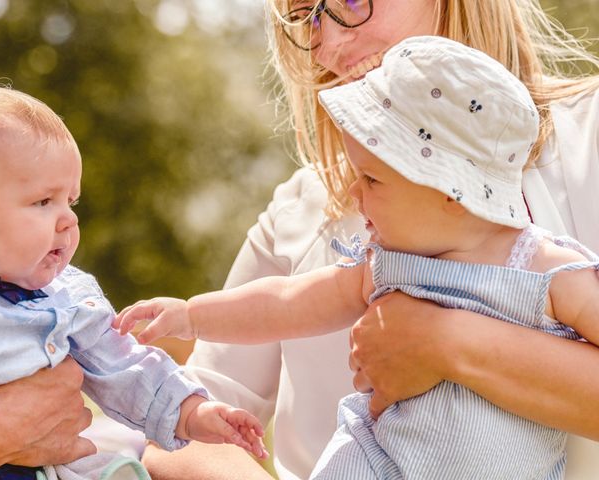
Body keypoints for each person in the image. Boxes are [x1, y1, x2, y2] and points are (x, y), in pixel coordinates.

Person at [138, 1, 599, 480]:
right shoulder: (303, 207)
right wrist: (189, 316)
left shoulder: (588, 137)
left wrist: (442, 342)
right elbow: (183, 430)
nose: (330, 47)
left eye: (354, 0)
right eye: (307, 17)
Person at [0, 85, 267, 480]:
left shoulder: (67, 296)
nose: (68, 221)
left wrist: (191, 412)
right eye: (42, 202)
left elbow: (124, 365)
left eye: (70, 202)